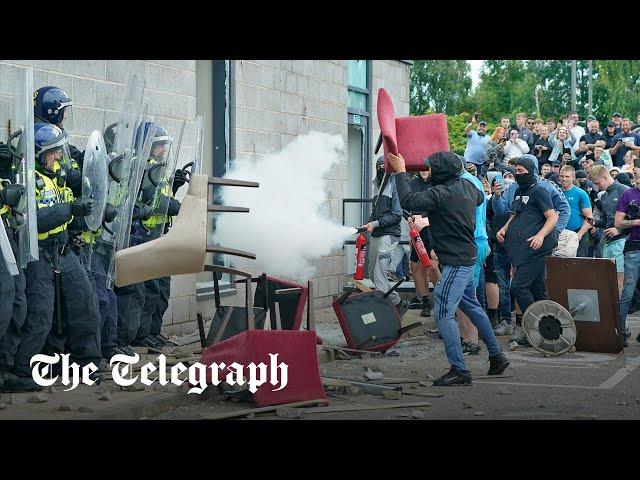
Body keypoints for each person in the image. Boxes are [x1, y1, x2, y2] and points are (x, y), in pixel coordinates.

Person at [390, 150, 509, 386]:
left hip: (455, 261)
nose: (429, 171)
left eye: (433, 168)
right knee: (473, 307)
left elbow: (409, 202)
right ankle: (497, 355)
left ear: (442, 173)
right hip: (467, 256)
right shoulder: (469, 188)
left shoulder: (442, 193)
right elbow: (473, 200)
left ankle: (460, 370)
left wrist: (401, 173)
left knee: (443, 313)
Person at [7, 124, 103, 388]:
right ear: (38, 154)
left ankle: (87, 364)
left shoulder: (59, 176)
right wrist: (71, 208)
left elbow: (73, 214)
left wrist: (94, 213)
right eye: (53, 152)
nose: (59, 156)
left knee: (86, 303)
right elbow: (35, 219)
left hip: (64, 251)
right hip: (39, 255)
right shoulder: (28, 181)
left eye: (59, 150)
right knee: (40, 315)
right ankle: (25, 369)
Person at [491, 154, 569, 339]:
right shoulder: (519, 190)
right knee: (537, 290)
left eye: (520, 171)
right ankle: (547, 331)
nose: (517, 174)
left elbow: (552, 216)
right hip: (522, 248)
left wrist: (541, 235)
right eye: (515, 171)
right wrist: (504, 228)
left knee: (517, 287)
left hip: (537, 249)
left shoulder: (540, 190)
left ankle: (536, 325)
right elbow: (515, 214)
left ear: (530, 171)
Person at [132, 123, 186, 347]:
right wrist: (181, 206)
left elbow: (161, 198)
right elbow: (156, 202)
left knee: (162, 289)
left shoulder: (157, 168)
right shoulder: (143, 168)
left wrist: (173, 185)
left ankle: (154, 331)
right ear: (148, 146)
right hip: (145, 237)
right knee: (150, 290)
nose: (164, 149)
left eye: (165, 145)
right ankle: (142, 335)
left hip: (159, 235)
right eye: (160, 145)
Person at [362, 156, 408, 316]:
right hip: (377, 234)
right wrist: (367, 224)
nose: (381, 168)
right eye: (379, 165)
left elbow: (397, 214)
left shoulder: (395, 185)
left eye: (384, 165)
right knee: (374, 276)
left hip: (389, 236)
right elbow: (375, 212)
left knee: (380, 273)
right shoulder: (376, 185)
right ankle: (398, 302)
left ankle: (382, 314)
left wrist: (375, 224)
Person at [589, 165, 629, 297]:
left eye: (598, 183)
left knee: (619, 279)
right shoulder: (604, 196)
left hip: (623, 241)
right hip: (608, 241)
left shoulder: (625, 191)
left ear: (605, 177)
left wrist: (619, 229)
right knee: (608, 278)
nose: (597, 187)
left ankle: (617, 314)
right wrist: (595, 223)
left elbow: (636, 218)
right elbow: (607, 220)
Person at [407, 168, 439, 318]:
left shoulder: (438, 183)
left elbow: (442, 206)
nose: (424, 170)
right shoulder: (412, 184)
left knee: (432, 265)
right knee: (416, 265)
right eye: (421, 167)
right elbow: (405, 204)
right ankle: (425, 300)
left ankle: (441, 299)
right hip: (416, 230)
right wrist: (409, 217)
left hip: (434, 230)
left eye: (427, 167)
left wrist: (426, 219)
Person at [614, 167, 640, 347]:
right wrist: (637, 221)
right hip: (633, 248)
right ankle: (620, 332)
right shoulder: (629, 194)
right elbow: (618, 222)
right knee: (627, 293)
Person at [558, 165, 593, 257]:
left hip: (577, 232)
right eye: (562, 176)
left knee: (578, 266)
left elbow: (589, 218)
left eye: (567, 176)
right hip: (560, 233)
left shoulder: (580, 193)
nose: (564, 179)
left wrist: (579, 235)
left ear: (573, 177)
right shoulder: (556, 193)